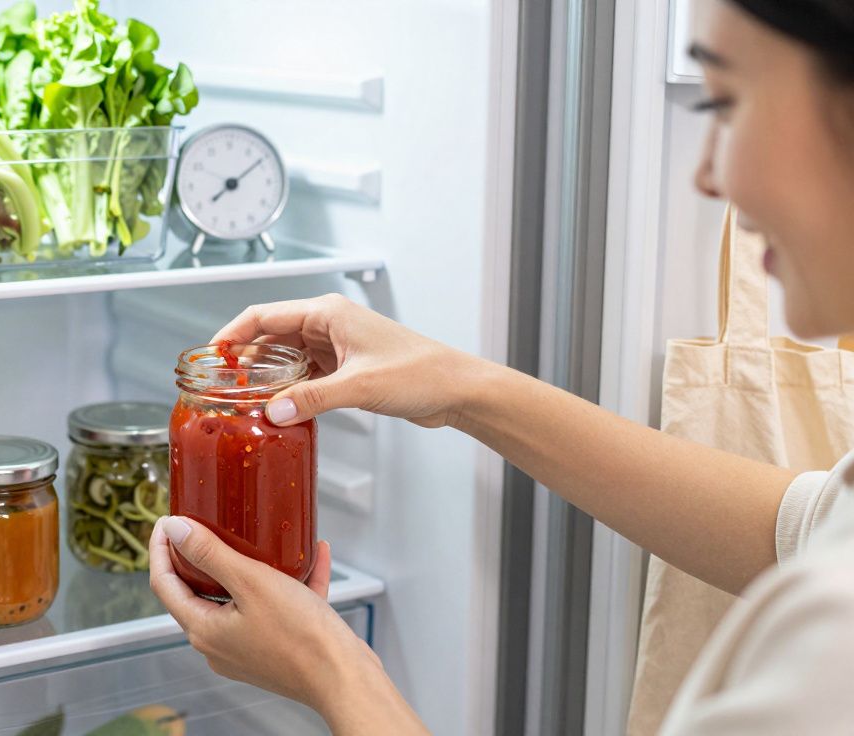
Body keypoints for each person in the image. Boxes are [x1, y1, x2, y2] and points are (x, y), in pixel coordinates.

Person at [148, 0, 854, 733]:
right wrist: (456, 387)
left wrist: (331, 668)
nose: (706, 174)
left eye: (725, 101)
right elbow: (802, 525)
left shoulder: (828, 656)